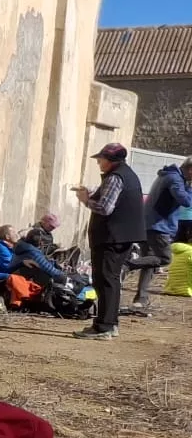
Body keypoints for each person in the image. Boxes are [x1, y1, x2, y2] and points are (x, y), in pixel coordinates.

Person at [72, 142, 148, 339]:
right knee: (108, 279)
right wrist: (89, 189)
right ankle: (105, 324)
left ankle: (105, 326)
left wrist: (85, 200)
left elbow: (105, 208)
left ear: (111, 160)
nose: (98, 162)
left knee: (106, 280)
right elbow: (107, 192)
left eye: (101, 159)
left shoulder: (116, 177)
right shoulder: (125, 174)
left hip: (113, 238)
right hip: (119, 237)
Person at [129, 157, 192, 318]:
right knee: (164, 259)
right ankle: (128, 264)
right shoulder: (175, 179)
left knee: (150, 261)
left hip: (149, 224)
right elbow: (185, 200)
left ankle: (140, 299)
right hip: (158, 226)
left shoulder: (167, 175)